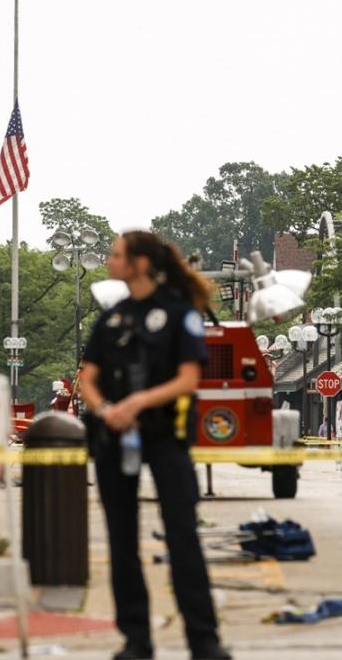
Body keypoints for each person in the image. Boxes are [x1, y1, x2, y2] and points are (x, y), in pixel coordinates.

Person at [79, 231, 231, 660]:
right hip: (115, 438)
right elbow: (86, 378)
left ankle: (204, 641)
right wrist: (107, 409)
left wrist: (138, 402)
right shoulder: (112, 319)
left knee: (183, 536)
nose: (109, 262)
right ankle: (136, 640)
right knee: (121, 540)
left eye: (115, 255)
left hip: (165, 436)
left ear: (140, 263)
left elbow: (188, 379)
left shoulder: (179, 313)